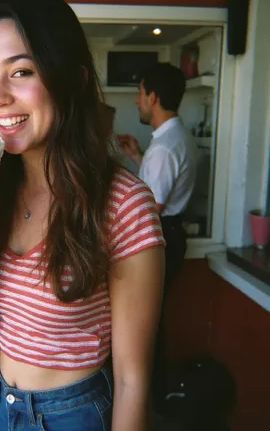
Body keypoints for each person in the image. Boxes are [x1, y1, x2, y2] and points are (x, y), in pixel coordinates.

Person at [0, 0, 165, 431]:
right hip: (2, 407)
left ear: (73, 78)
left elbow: (133, 379)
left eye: (21, 71)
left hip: (76, 415)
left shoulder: (123, 204)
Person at [117, 62, 197, 411]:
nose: (137, 102)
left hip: (161, 236)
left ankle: (146, 402)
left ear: (153, 96)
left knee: (146, 323)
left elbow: (152, 208)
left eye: (140, 95)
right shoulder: (172, 139)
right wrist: (137, 156)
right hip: (170, 232)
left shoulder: (165, 148)